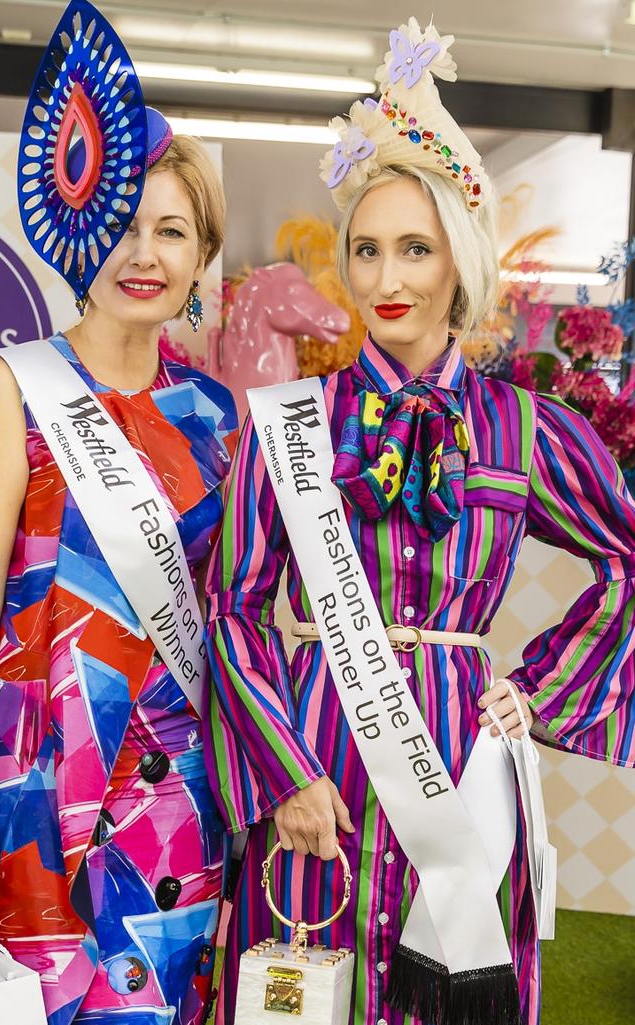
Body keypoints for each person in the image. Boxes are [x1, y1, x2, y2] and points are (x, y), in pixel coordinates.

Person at [205, 16, 635, 1025]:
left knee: (447, 992)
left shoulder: (526, 432)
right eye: (366, 250)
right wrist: (281, 772)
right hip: (316, 757)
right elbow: (228, 608)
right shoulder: (292, 430)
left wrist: (537, 686)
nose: (386, 280)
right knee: (301, 986)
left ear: (459, 259)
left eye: (415, 248)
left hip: (461, 759)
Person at [0, 2, 237, 1022]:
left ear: (199, 259)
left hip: (182, 780)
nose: (144, 251)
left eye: (172, 230)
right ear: (78, 228)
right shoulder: (10, 389)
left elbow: (230, 605)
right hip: (40, 778)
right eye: (123, 222)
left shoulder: (217, 415)